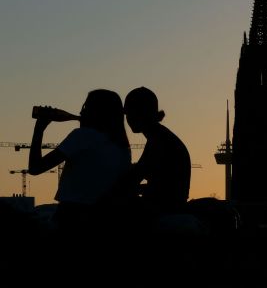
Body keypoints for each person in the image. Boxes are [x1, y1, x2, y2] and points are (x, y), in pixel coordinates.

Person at [28, 89, 132, 233]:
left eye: (86, 107)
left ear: (97, 112)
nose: (81, 112)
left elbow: (35, 168)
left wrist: (39, 129)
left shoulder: (83, 136)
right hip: (104, 219)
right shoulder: (123, 146)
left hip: (71, 217)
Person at [122, 87, 191, 222]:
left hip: (163, 209)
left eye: (129, 113)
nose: (128, 119)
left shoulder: (159, 141)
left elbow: (134, 178)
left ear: (140, 113)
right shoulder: (160, 136)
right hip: (168, 205)